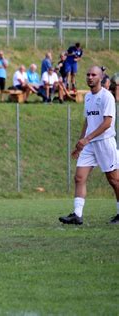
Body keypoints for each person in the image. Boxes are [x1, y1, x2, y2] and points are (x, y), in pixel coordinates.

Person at [59, 66, 119, 225]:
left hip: (105, 142)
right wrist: (81, 143)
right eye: (88, 74)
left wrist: (87, 139)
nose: (90, 77)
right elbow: (88, 121)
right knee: (79, 177)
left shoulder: (107, 97)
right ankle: (77, 215)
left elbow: (107, 123)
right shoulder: (87, 97)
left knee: (114, 180)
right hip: (89, 144)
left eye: (93, 74)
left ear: (100, 77)